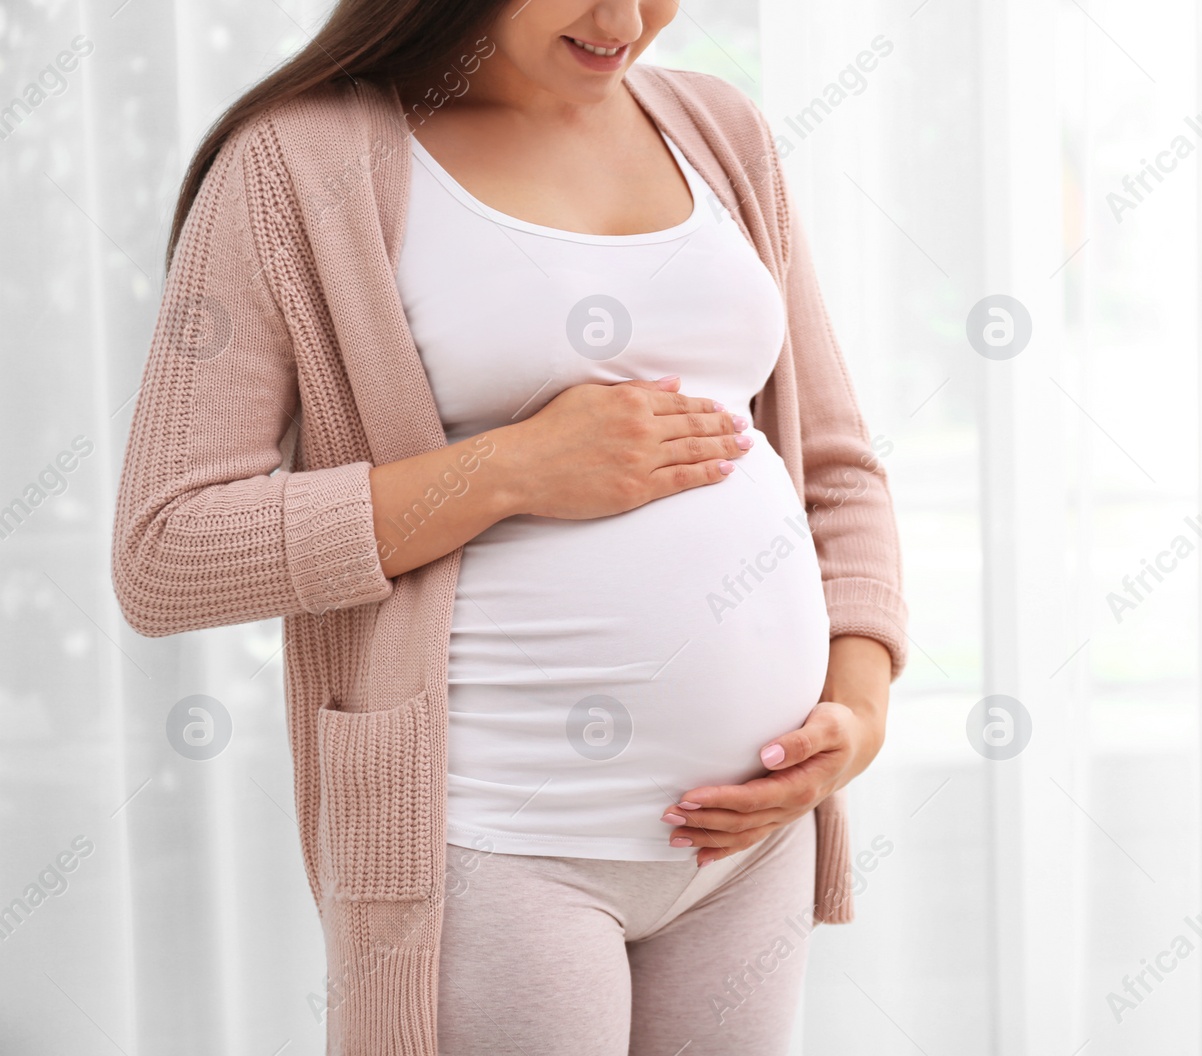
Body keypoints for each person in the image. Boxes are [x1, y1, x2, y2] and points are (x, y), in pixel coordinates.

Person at [111, 1, 908, 1053]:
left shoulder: (722, 132)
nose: (624, 18)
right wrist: (508, 469)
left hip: (749, 845)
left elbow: (836, 471)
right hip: (497, 848)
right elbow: (169, 549)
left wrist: (855, 716)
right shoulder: (298, 165)